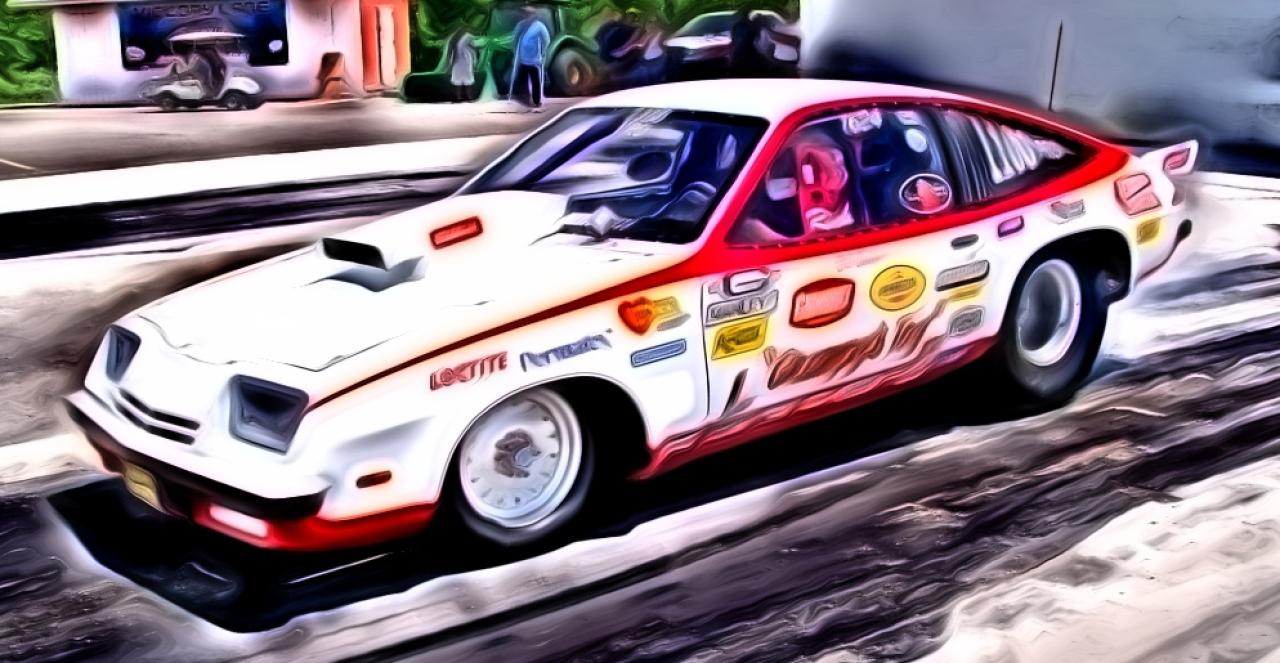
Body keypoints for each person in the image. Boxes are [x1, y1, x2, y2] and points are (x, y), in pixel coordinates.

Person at [510, 6, 550, 111]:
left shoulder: (539, 26)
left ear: (533, 15)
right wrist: (514, 52)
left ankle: (536, 101)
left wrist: (543, 51)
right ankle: (524, 99)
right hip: (522, 58)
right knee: (521, 80)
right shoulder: (521, 25)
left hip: (534, 59)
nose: (526, 16)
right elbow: (515, 38)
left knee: (535, 81)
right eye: (525, 14)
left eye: (529, 14)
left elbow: (546, 39)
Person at [450, 31, 477, 103]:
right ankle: (460, 97)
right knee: (459, 82)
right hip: (459, 64)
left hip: (464, 64)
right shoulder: (460, 46)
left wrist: (474, 63)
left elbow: (473, 50)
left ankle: (467, 97)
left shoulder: (468, 47)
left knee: (465, 81)